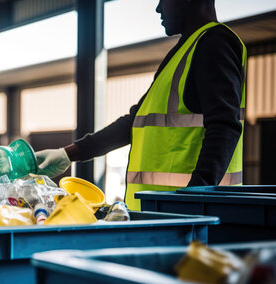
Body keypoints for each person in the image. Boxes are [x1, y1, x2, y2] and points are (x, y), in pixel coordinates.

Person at [36, 0, 247, 210]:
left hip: (186, 219)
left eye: (163, 0)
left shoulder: (215, 43)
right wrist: (67, 154)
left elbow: (224, 127)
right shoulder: (186, 51)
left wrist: (195, 199)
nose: (158, 8)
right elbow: (134, 122)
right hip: (162, 214)